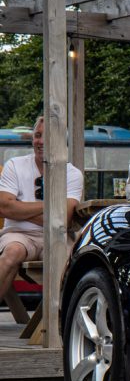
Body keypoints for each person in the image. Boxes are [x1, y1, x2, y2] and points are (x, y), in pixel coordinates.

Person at [0, 117, 84, 302]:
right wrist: (52, 205)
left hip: (56, 235)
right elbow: (4, 206)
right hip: (18, 234)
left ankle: (66, 319)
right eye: (37, 135)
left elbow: (63, 219)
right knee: (12, 252)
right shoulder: (14, 165)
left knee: (72, 259)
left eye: (48, 136)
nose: (41, 141)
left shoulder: (72, 173)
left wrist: (19, 207)